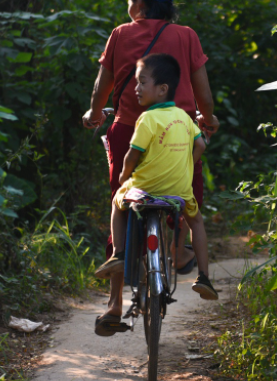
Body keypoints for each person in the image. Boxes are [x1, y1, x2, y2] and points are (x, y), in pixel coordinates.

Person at [81, 0, 220, 337]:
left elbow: (102, 85)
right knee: (187, 196)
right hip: (180, 131)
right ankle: (179, 251)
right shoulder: (187, 36)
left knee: (122, 201)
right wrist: (207, 118)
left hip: (131, 131)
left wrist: (95, 114)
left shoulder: (120, 34)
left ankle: (113, 304)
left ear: (139, 2)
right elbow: (202, 91)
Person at [92, 54, 216, 307]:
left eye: (142, 82)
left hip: (145, 189)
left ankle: (118, 254)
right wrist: (186, 166)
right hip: (180, 190)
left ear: (161, 90)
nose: (136, 88)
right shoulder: (184, 117)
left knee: (117, 202)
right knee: (196, 221)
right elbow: (201, 144)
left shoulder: (147, 118)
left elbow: (132, 155)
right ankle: (204, 276)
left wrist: (124, 176)